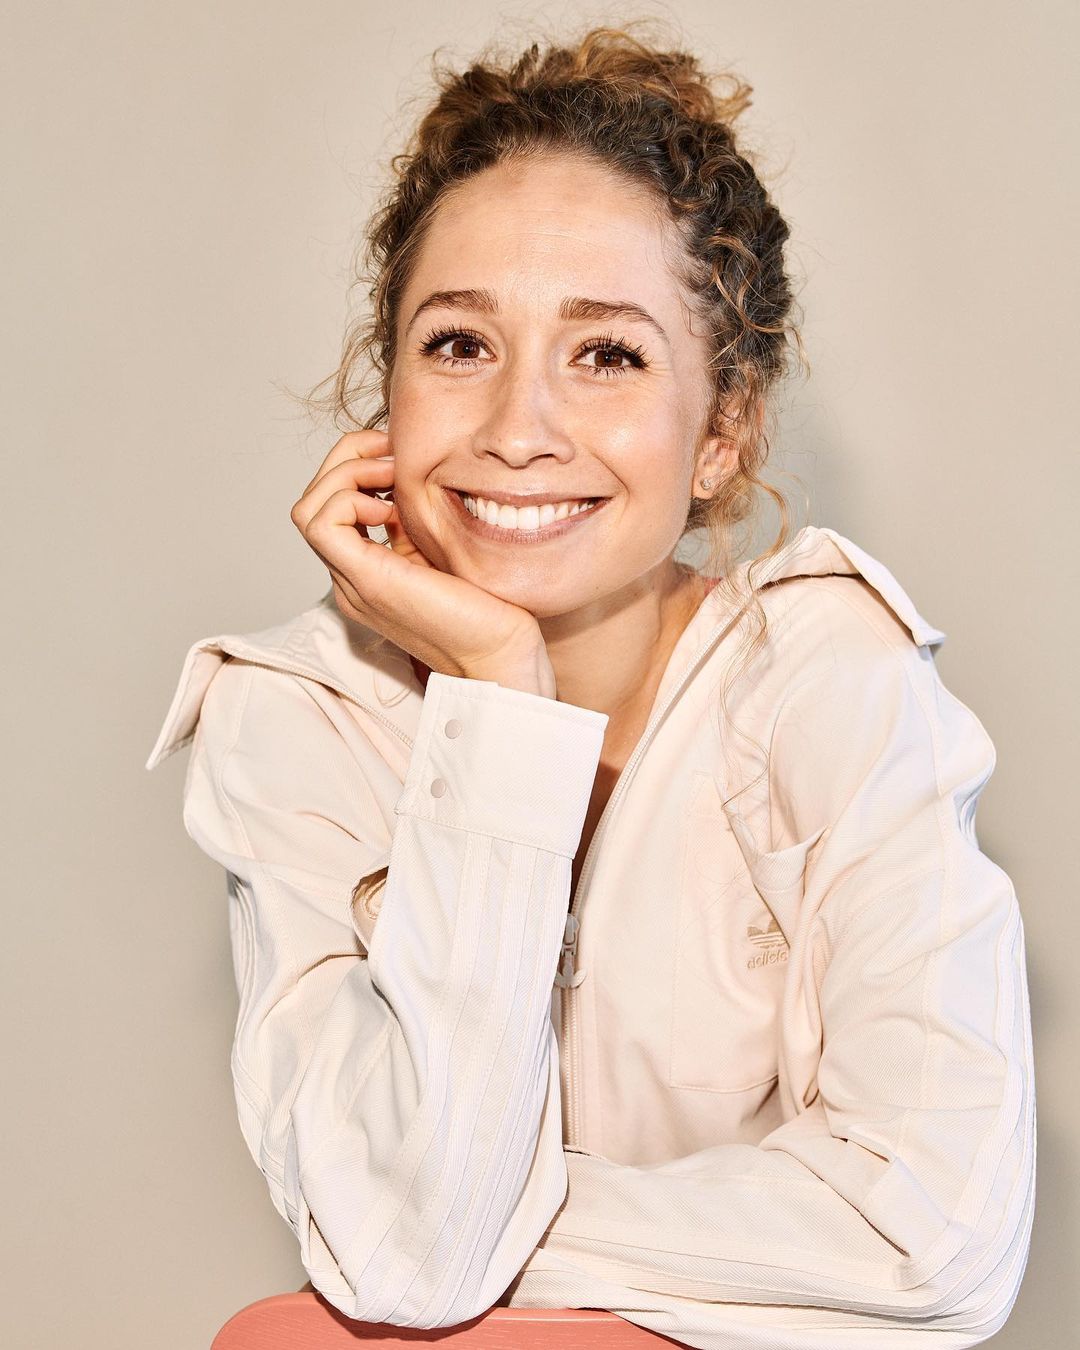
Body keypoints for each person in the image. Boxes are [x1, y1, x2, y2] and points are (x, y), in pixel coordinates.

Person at [145, 24, 1035, 1348]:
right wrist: (501, 699)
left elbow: (936, 1240)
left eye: (607, 354)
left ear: (721, 430)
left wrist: (470, 1225)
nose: (517, 428)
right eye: (459, 345)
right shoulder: (295, 715)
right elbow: (404, 1257)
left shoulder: (828, 676)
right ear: (385, 391)